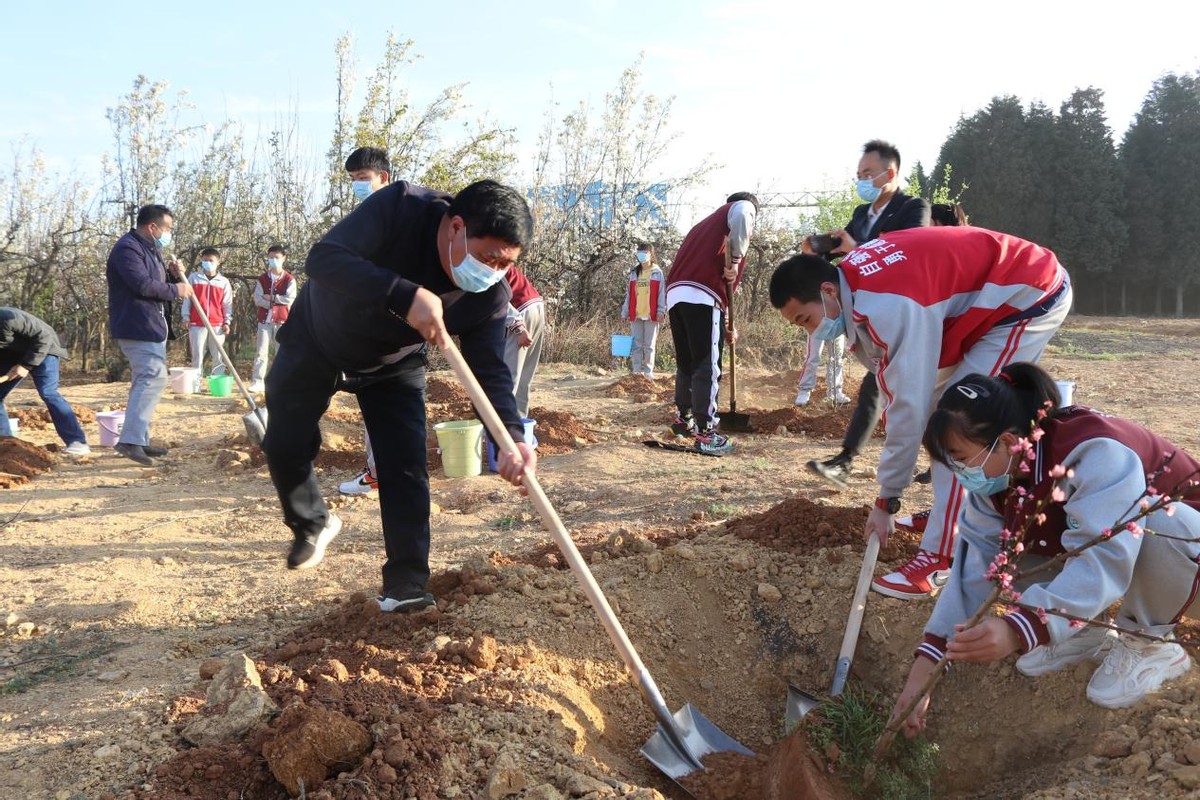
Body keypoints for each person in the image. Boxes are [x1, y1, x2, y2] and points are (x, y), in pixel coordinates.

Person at [265, 178, 537, 613]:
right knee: (283, 441)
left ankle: (407, 584)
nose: (493, 272)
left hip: (393, 365)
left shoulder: (489, 295)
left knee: (405, 467)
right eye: (487, 257)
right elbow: (324, 258)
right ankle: (311, 520)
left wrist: (509, 435)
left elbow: (489, 374)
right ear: (455, 227)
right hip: (317, 338)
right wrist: (404, 294)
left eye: (506, 264)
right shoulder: (402, 207)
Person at [891, 363, 1197, 735]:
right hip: (1138, 562)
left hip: (1186, 562)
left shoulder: (1094, 453)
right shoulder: (998, 485)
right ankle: (1081, 631)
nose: (957, 471)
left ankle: (1151, 642)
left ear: (1005, 441)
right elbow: (972, 573)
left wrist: (1020, 629)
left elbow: (1105, 558)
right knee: (1012, 546)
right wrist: (924, 673)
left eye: (961, 457)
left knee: (1157, 518)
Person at [770, 225, 1072, 599]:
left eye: (806, 320)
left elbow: (908, 409)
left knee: (960, 424)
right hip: (990, 297)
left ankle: (942, 555)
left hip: (1027, 295)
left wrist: (886, 500)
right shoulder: (855, 285)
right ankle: (951, 513)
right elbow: (899, 389)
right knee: (941, 413)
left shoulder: (887, 307)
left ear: (827, 291)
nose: (812, 332)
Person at [804, 140, 930, 486]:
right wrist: (818, 249)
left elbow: (909, 258)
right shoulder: (862, 215)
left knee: (921, 387)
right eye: (858, 174)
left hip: (914, 315)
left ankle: (942, 458)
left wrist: (856, 248)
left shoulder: (913, 208)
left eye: (867, 174)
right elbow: (842, 253)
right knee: (878, 383)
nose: (861, 180)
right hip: (874, 317)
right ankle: (845, 461)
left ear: (890, 174)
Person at [665, 192, 758, 456]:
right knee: (707, 364)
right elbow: (743, 210)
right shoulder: (741, 209)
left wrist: (727, 323)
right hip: (702, 296)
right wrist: (738, 259)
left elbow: (723, 290)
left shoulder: (703, 228)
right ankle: (706, 433)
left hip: (677, 295)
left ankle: (684, 421)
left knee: (688, 363)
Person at [106, 204, 195, 466]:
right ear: (152, 227)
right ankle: (130, 441)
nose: (168, 233)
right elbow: (142, 285)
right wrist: (175, 290)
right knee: (152, 377)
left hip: (150, 326)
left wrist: (170, 272)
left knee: (145, 380)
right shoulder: (127, 249)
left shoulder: (149, 248)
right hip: (137, 325)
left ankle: (139, 439)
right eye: (167, 228)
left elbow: (153, 278)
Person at [338, 147, 393, 496]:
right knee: (384, 405)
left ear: (382, 178)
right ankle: (384, 470)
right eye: (354, 180)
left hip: (385, 326)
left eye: (363, 179)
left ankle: (376, 473)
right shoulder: (369, 215)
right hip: (375, 324)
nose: (358, 185)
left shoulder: (389, 217)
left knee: (380, 402)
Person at [0, 307, 90, 455]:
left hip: (45, 350)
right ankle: (5, 443)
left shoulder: (7, 317)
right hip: (12, 355)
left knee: (48, 392)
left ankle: (77, 442)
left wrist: (26, 365)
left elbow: (44, 336)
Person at [248, 245, 296, 393]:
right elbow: (257, 299)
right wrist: (272, 302)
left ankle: (281, 382)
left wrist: (272, 298)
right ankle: (258, 381)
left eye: (277, 258)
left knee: (281, 353)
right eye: (271, 258)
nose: (274, 260)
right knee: (261, 352)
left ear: (283, 259)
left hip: (282, 321)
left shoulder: (289, 279)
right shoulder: (262, 279)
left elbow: (289, 299)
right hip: (264, 321)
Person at [180, 247, 234, 378]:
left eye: (211, 260)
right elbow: (187, 299)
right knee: (197, 355)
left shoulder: (224, 282)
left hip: (217, 324)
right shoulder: (194, 278)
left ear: (218, 262)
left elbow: (227, 304)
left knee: (218, 355)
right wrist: (185, 317)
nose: (208, 263)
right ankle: (195, 383)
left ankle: (217, 382)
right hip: (197, 323)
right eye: (205, 260)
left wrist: (227, 321)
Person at [503, 266, 545, 419]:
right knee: (523, 377)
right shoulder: (492, 251)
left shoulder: (478, 261)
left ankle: (505, 427)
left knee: (510, 377)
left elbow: (496, 296)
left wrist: (517, 326)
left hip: (519, 310)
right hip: (536, 305)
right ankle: (519, 425)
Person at [620, 242, 667, 378]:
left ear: (651, 254)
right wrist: (625, 312)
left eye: (644, 252)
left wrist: (661, 311)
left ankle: (648, 371)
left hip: (651, 314)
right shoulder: (634, 273)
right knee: (637, 344)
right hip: (636, 313)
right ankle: (636, 370)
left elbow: (661, 293)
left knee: (649, 345)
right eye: (639, 252)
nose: (641, 255)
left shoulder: (657, 273)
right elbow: (629, 294)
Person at [793, 329, 850, 407]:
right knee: (812, 358)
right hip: (817, 325)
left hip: (836, 324)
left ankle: (836, 392)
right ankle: (804, 391)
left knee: (837, 359)